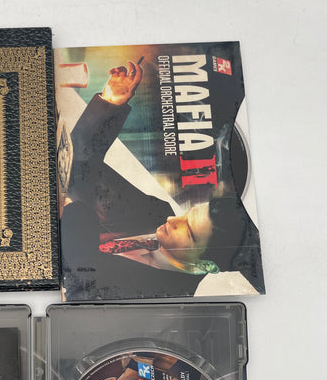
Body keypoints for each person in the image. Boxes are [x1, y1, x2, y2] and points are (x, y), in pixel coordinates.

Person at [61, 60, 263, 300]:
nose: (172, 219)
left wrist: (72, 216)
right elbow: (76, 170)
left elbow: (78, 289)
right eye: (186, 215)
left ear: (206, 265)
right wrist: (111, 102)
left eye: (189, 232)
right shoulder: (154, 212)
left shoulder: (164, 298)